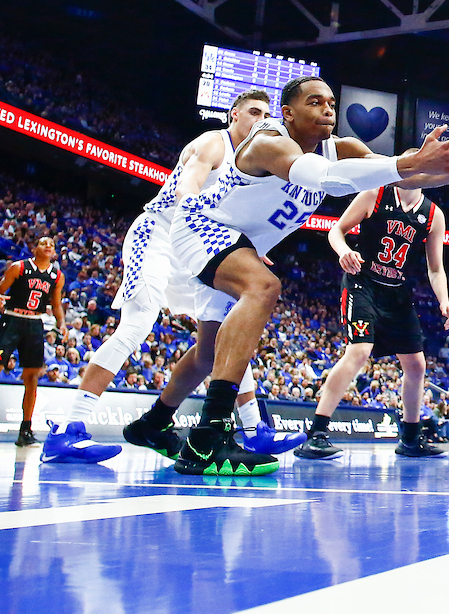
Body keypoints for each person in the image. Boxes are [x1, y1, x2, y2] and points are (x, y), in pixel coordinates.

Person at [167, 75, 449, 476]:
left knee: (208, 349)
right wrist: (412, 160)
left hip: (242, 242)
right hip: (202, 223)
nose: (328, 109)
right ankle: (209, 438)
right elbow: (327, 180)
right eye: (315, 102)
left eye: (332, 102)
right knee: (263, 287)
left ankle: (159, 424)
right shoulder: (268, 141)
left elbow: (406, 178)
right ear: (288, 113)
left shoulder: (343, 147)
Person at [42, 91, 304, 463]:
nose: (260, 120)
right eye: (253, 112)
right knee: (137, 324)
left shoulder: (254, 164)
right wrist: (189, 202)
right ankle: (69, 430)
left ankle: (253, 429)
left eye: (266, 115)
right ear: (233, 115)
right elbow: (192, 178)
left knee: (224, 335)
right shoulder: (214, 142)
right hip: (162, 234)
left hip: (201, 245)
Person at [295, 184, 449, 460]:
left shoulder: (433, 214)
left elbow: (435, 268)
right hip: (363, 284)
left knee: (417, 365)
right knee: (358, 351)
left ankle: (410, 438)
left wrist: (444, 299)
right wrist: (343, 250)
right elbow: (336, 230)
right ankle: (317, 434)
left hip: (398, 293)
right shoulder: (375, 195)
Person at [0, 236, 66, 446]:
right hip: (12, 319)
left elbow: (56, 304)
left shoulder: (57, 276)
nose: (48, 246)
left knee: (31, 377)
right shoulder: (18, 268)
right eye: (43, 243)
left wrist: (61, 323)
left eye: (52, 245)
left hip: (35, 324)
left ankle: (25, 429)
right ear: (34, 248)